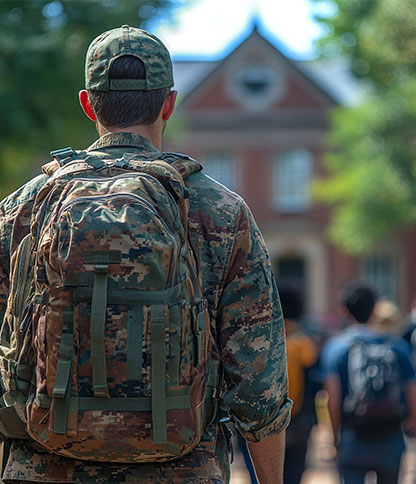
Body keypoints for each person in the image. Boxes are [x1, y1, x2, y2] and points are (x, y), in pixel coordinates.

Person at [0, 26, 291, 484]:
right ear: (168, 104)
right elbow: (260, 384)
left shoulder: (23, 209)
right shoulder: (219, 211)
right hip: (181, 469)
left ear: (88, 103)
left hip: (41, 465)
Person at [321, 281, 416, 484]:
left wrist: (335, 438)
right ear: (375, 310)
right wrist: (412, 423)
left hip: (353, 437)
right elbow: (411, 390)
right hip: (391, 438)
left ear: (343, 311)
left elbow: (333, 398)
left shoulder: (335, 348)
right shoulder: (397, 347)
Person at [279, 285, 318, 484]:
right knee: (294, 475)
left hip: (267, 423)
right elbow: (315, 383)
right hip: (299, 421)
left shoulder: (267, 343)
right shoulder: (304, 343)